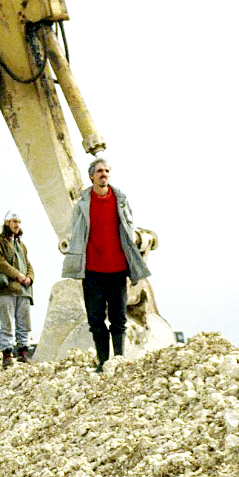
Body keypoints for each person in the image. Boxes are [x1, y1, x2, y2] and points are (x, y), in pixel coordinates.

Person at [63, 158, 151, 372]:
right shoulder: (83, 205)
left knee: (118, 319)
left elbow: (128, 230)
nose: (104, 174)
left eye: (107, 171)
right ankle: (103, 362)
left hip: (118, 270)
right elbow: (75, 233)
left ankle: (118, 361)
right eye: (100, 171)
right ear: (92, 176)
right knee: (96, 320)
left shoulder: (120, 200)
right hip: (92, 271)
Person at [0, 211, 35, 367]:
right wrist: (18, 275)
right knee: (7, 323)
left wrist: (30, 277)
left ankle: (23, 353)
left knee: (24, 323)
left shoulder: (21, 246)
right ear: (7, 223)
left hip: (23, 290)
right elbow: (0, 262)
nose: (17, 225)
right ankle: (7, 354)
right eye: (14, 222)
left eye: (19, 222)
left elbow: (28, 264)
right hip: (6, 289)